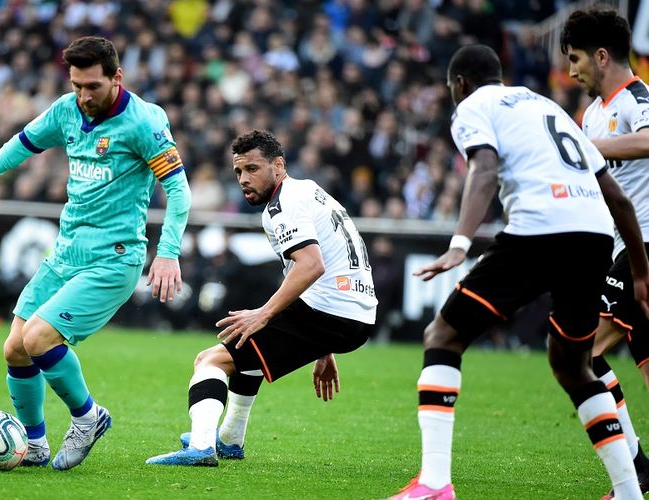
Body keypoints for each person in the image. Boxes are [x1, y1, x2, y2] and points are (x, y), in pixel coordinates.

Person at [388, 44, 649, 500]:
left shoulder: (473, 106)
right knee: (573, 364)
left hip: (540, 230)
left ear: (459, 84)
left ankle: (433, 484)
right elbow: (618, 197)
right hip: (594, 236)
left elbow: (484, 171)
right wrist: (642, 275)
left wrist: (459, 243)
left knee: (443, 335)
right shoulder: (548, 106)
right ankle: (628, 493)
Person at [0, 36, 191, 471]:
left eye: (92, 86)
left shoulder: (145, 122)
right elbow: (23, 143)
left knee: (39, 338)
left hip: (114, 258)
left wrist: (167, 252)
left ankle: (88, 418)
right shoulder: (67, 109)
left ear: (117, 77)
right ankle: (35, 443)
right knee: (16, 348)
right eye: (76, 85)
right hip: (65, 254)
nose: (83, 96)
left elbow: (178, 190)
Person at [145, 129, 377, 466]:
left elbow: (311, 265)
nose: (243, 179)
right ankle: (229, 439)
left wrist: (264, 314)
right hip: (357, 314)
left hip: (330, 312)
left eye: (253, 169)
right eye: (238, 171)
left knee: (209, 360)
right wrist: (323, 346)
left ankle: (200, 447)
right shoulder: (310, 190)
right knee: (244, 342)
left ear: (278, 165)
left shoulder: (282, 206)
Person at [561, 9, 649, 495]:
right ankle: (637, 467)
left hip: (645, 247)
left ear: (601, 55)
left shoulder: (637, 99)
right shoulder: (592, 114)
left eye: (575, 59)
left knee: (581, 352)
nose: (571, 71)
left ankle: (634, 466)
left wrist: (592, 146)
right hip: (618, 250)